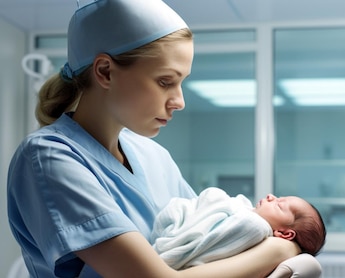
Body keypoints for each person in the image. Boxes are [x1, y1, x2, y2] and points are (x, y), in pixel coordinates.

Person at [5, 0, 300, 277]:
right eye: (165, 81)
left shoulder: (153, 155)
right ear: (105, 71)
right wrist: (281, 249)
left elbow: (214, 243)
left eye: (181, 82)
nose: (180, 101)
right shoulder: (48, 157)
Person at [151, 187, 326, 269]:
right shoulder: (246, 210)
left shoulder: (254, 226)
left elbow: (203, 238)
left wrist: (215, 198)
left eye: (279, 205)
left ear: (284, 233)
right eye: (278, 197)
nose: (271, 196)